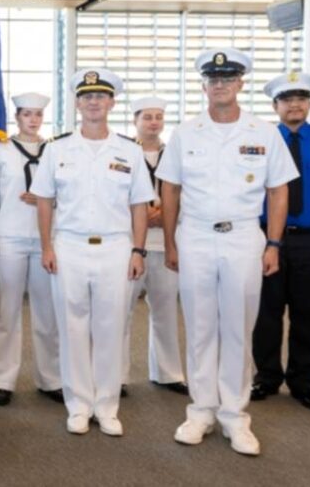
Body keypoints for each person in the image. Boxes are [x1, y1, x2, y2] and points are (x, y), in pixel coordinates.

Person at [158, 48, 297, 456]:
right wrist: (169, 242)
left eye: (228, 78)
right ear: (204, 85)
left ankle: (235, 416)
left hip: (242, 239)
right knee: (200, 327)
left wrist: (273, 243)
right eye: (213, 79)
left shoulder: (263, 132)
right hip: (196, 236)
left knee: (238, 327)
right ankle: (201, 409)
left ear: (241, 83)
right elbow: (170, 189)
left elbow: (278, 190)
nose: (220, 85)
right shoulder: (186, 133)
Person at [31, 68, 153, 437]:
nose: (93, 102)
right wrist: (47, 246)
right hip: (68, 246)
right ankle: (79, 404)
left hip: (116, 247)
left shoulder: (129, 151)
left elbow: (140, 206)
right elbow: (44, 201)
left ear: (112, 103)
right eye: (86, 97)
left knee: (111, 327)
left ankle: (107, 405)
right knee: (72, 328)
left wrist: (138, 251)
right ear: (78, 103)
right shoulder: (57, 148)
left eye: (100, 96)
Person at [0, 92, 63, 406]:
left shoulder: (55, 151)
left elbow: (69, 192)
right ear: (17, 117)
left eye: (38, 115)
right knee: (6, 312)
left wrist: (47, 199)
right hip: (9, 237)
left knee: (48, 312)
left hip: (46, 240)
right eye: (27, 114)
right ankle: (3, 379)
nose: (33, 120)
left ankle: (50, 378)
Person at [251, 72, 310, 412]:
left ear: (309, 104)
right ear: (276, 105)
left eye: (301, 99)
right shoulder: (262, 142)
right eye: (287, 100)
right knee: (267, 312)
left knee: (309, 312)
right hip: (268, 239)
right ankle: (266, 377)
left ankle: (304, 382)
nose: (295, 105)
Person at [121, 96, 187, 396]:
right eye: (147, 117)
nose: (154, 122)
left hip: (167, 242)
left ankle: (168, 372)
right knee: (121, 312)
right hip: (130, 244)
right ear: (135, 120)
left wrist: (168, 214)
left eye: (159, 117)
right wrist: (140, 216)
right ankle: (118, 376)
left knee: (165, 310)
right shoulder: (122, 152)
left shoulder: (176, 153)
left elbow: (189, 191)